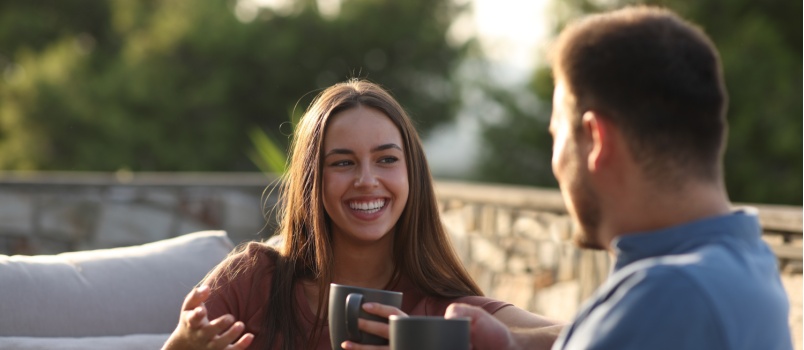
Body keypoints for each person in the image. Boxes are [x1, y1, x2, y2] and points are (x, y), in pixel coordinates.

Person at [446, 5, 794, 350]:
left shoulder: (670, 295)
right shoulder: (744, 262)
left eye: (557, 136)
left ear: (596, 139)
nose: (556, 163)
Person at [162, 79, 560, 350]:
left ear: (412, 174)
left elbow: (575, 336)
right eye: (342, 163)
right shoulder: (253, 280)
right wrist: (182, 342)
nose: (367, 180)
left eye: (386, 159)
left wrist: (505, 341)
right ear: (311, 180)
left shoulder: (436, 312)